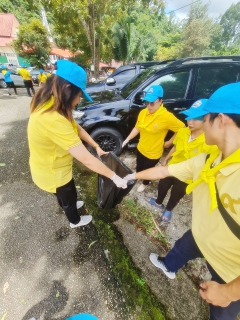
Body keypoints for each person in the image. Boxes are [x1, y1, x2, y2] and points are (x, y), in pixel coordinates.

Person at [123, 83, 240, 320]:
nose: (198, 123)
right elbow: (164, 172)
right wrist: (131, 176)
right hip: (201, 235)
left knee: (220, 314)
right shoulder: (209, 158)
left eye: (205, 118)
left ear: (221, 120)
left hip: (230, 269)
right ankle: (168, 266)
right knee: (181, 248)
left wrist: (228, 291)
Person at [28, 60, 127, 229]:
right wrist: (114, 177)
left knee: (68, 193)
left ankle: (70, 204)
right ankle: (75, 220)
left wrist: (96, 146)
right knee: (66, 195)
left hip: (56, 165)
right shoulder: (53, 119)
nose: (80, 99)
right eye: (79, 95)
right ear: (67, 89)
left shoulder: (54, 104)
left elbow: (77, 128)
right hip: (52, 171)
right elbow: (87, 160)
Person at [146, 99, 218, 223]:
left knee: (177, 194)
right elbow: (175, 147)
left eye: (196, 119)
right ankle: (158, 202)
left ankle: (168, 210)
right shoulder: (183, 132)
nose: (190, 122)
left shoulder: (210, 142)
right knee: (162, 186)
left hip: (187, 175)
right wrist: (166, 160)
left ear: (207, 119)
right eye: (189, 117)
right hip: (172, 166)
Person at [122, 85, 185, 192]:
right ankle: (137, 176)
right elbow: (137, 128)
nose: (149, 106)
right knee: (139, 165)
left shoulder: (167, 117)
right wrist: (127, 139)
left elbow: (182, 128)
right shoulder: (143, 113)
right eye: (146, 103)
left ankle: (145, 183)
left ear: (160, 101)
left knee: (148, 170)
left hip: (153, 153)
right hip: (141, 147)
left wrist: (170, 142)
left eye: (152, 103)